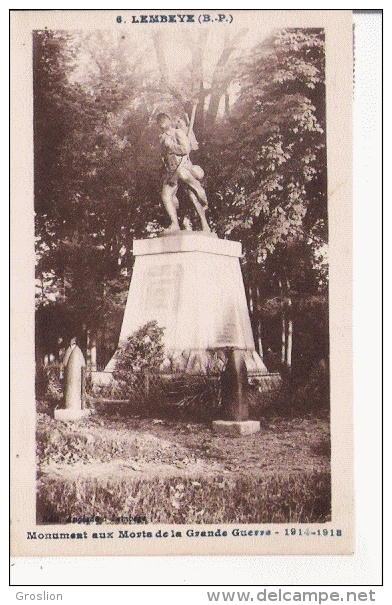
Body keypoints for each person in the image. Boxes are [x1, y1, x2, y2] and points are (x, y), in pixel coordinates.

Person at [156, 112, 211, 233]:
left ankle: (205, 224)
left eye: (164, 120)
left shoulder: (178, 133)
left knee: (193, 195)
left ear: (169, 121)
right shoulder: (162, 138)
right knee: (166, 196)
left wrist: (171, 146)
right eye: (159, 121)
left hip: (182, 168)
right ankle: (175, 224)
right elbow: (163, 157)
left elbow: (186, 149)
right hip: (170, 171)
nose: (161, 123)